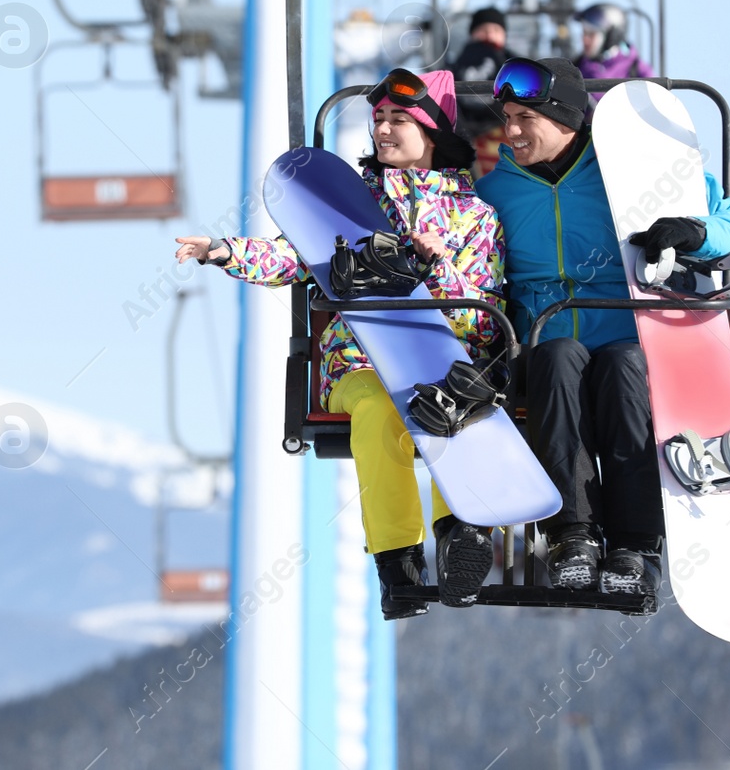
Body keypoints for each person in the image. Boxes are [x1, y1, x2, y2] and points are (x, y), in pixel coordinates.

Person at [173, 69, 505, 620]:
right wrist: (225, 251)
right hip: (362, 359)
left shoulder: (475, 218)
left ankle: (460, 535)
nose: (383, 130)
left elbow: (478, 314)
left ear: (432, 131)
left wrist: (435, 267)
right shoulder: (349, 204)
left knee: (454, 403)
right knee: (379, 410)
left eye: (399, 119)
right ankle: (398, 565)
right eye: (378, 119)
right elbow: (294, 257)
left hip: (442, 356)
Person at [477, 58, 730, 595]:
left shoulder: (630, 171)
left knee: (626, 368)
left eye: (522, 118)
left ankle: (636, 543)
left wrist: (693, 232)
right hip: (542, 337)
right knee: (557, 358)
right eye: (506, 117)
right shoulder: (496, 193)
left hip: (630, 331)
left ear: (564, 117)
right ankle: (572, 535)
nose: (509, 132)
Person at [444, 8, 519, 176]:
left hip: (504, 135)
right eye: (483, 30)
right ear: (472, 34)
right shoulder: (456, 66)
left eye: (495, 31)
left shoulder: (516, 65)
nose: (489, 35)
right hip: (466, 138)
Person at [575, 3, 654, 84]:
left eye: (591, 34)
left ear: (611, 36)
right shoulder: (574, 69)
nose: (585, 39)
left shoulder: (638, 72)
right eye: (584, 33)